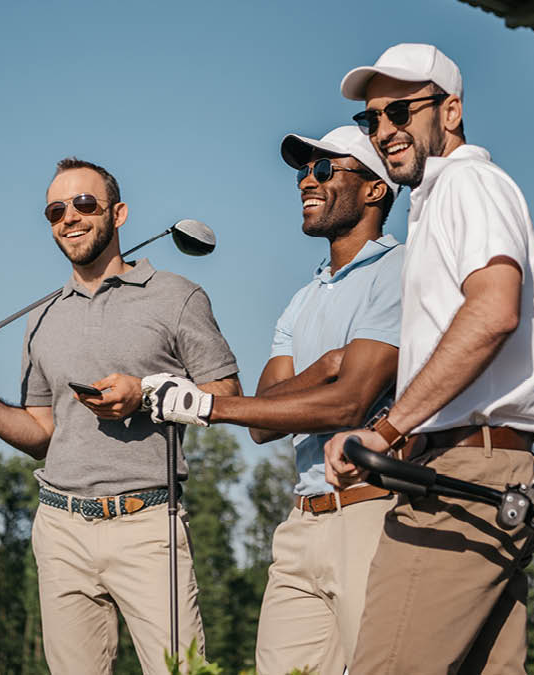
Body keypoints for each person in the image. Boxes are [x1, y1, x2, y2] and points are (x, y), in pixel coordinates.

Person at [0, 157, 241, 675]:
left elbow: (225, 392)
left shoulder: (177, 296)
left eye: (84, 204)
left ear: (118, 214)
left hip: (147, 523)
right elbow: (41, 434)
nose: (69, 217)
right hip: (60, 527)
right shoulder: (42, 316)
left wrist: (145, 394)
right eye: (55, 210)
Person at [322, 43, 534, 674]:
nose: (385, 131)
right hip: (483, 468)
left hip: (465, 475)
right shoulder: (437, 198)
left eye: (400, 111)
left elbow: (492, 313)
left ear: (450, 110)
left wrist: (386, 429)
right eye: (371, 121)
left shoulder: (468, 182)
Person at [142, 126, 401, 673]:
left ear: (376, 189)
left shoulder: (400, 272)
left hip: (374, 515)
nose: (307, 180)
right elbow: (265, 420)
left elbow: (348, 404)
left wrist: (206, 404)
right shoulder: (302, 300)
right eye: (303, 171)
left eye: (325, 169)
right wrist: (327, 365)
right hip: (301, 524)